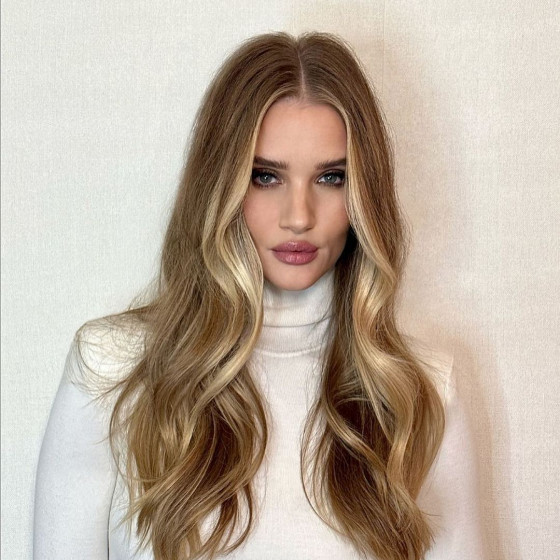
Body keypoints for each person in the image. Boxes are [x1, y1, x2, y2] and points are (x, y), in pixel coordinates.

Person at [33, 32, 486, 560]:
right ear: (221, 184)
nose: (299, 216)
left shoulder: (418, 393)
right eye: (265, 176)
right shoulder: (111, 369)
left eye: (331, 177)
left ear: (365, 193)